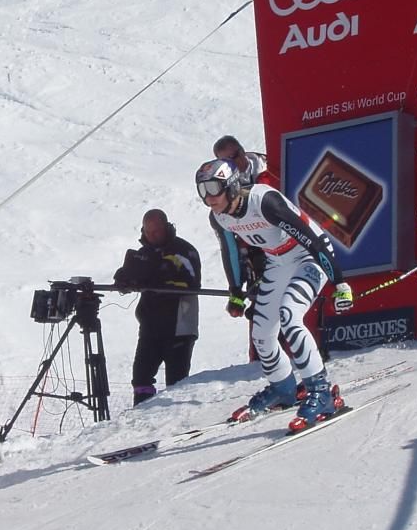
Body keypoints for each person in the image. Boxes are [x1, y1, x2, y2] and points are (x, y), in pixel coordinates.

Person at [195, 157, 353, 429]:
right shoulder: (219, 216)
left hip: (309, 257)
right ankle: (284, 388)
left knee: (290, 316)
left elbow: (311, 240)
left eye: (213, 188)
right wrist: (236, 291)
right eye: (202, 190)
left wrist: (339, 282)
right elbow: (231, 251)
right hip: (277, 261)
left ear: (232, 186)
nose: (208, 198)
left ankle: (322, 392)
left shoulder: (265, 202)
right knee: (262, 332)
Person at [112, 208, 202, 405]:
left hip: (179, 327)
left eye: (156, 231)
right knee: (141, 378)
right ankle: (142, 416)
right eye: (147, 232)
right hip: (150, 327)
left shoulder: (184, 251)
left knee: (176, 383)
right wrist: (124, 279)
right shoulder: (145, 253)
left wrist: (162, 278)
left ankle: (174, 423)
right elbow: (132, 273)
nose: (152, 236)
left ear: (166, 227)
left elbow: (193, 284)